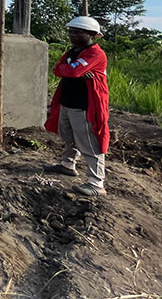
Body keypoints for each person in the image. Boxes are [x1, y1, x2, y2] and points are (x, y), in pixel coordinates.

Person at [43, 16, 110, 196]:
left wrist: (72, 71)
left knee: (88, 141)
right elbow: (58, 69)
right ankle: (67, 164)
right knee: (69, 135)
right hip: (68, 101)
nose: (72, 35)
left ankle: (96, 183)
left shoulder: (95, 54)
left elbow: (72, 70)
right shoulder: (74, 51)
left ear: (91, 34)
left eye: (77, 32)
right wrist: (72, 71)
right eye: (71, 31)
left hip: (84, 105)